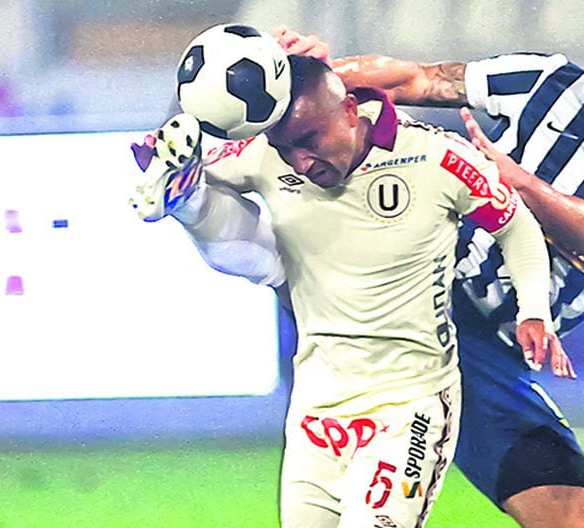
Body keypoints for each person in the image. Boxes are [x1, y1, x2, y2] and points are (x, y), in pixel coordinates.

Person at [274, 8, 584, 527]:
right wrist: (313, 80)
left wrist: (520, 183)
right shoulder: (549, 83)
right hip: (420, 306)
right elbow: (415, 78)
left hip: (496, 359)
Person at [131, 55, 562, 527]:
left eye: (310, 141)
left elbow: (515, 224)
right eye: (286, 148)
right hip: (316, 407)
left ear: (351, 110)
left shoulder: (437, 157)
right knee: (217, 213)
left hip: (410, 406)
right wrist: (168, 169)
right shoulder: (264, 154)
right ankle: (188, 201)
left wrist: (533, 310)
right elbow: (198, 164)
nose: (301, 162)